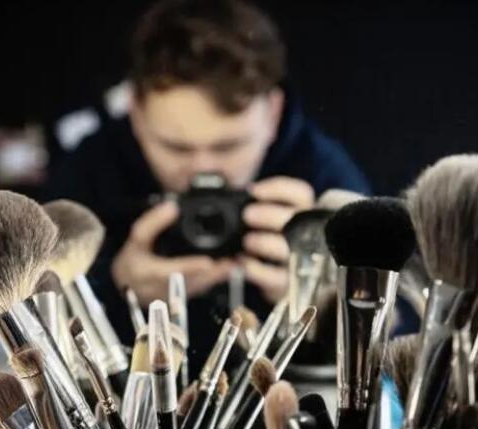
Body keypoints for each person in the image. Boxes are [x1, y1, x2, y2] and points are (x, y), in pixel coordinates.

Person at [48, 0, 371, 374]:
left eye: (228, 147)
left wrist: (322, 297)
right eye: (176, 148)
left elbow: (394, 324)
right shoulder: (93, 168)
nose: (203, 169)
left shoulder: (320, 173)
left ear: (273, 114)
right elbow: (36, 318)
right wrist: (116, 286)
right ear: (135, 112)